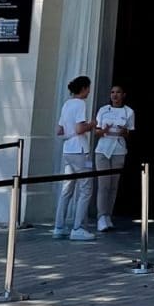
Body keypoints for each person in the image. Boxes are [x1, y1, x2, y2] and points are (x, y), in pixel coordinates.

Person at [53, 74, 95, 240]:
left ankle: (59, 225)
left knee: (67, 189)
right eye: (88, 88)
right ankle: (78, 228)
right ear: (84, 88)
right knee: (86, 189)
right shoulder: (80, 104)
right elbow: (79, 128)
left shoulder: (67, 104)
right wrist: (91, 125)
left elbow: (59, 130)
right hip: (80, 149)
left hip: (68, 149)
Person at [92, 83, 135, 232]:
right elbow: (97, 131)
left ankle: (108, 215)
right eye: (112, 92)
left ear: (123, 95)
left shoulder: (129, 112)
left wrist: (123, 131)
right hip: (103, 149)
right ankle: (101, 216)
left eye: (118, 92)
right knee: (103, 184)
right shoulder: (103, 110)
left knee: (113, 185)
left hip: (118, 149)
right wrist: (104, 130)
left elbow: (129, 133)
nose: (115, 95)